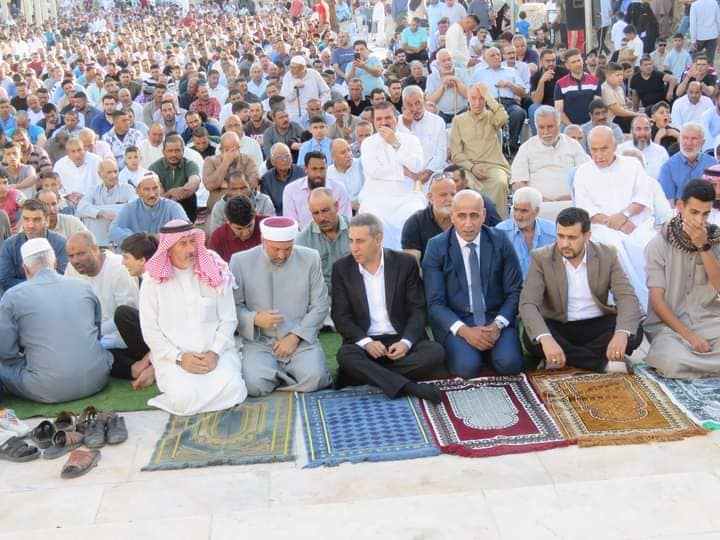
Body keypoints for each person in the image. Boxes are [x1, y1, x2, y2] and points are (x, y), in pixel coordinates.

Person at [332, 213, 445, 402]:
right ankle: (410, 387)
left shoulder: (404, 263)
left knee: (435, 352)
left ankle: (367, 374)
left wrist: (406, 342)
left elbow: (418, 309)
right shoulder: (341, 269)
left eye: (360, 241)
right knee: (346, 355)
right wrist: (366, 343)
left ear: (378, 239)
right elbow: (341, 317)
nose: (354, 247)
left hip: (399, 338)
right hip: (365, 343)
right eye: (351, 240)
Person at [139, 220, 247, 415]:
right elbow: (150, 331)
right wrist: (180, 358)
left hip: (217, 354)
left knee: (234, 391)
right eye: (183, 244)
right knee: (183, 400)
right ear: (168, 249)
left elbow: (229, 319)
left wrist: (214, 353)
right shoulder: (152, 281)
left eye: (192, 242)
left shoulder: (214, 270)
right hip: (175, 360)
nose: (191, 249)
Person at [519, 207, 644, 373]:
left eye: (572, 237)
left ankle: (563, 360)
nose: (564, 243)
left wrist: (621, 333)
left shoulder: (607, 255)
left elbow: (627, 297)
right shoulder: (542, 258)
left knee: (634, 331)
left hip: (596, 324)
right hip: (560, 325)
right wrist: (547, 339)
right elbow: (528, 303)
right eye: (560, 236)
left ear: (587, 235)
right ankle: (602, 364)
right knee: (532, 338)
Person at [423, 190, 524, 378]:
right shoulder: (436, 247)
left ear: (483, 215)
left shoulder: (500, 241)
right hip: (459, 319)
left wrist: (497, 325)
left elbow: (515, 291)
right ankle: (475, 353)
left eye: (474, 216)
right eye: (462, 216)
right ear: (452, 216)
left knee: (510, 364)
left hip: (495, 317)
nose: (468, 223)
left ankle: (492, 352)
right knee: (466, 367)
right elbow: (435, 303)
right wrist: (465, 332)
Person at [0, 237, 112, 403]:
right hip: (97, 377)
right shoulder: (83, 287)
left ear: (26, 268)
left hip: (48, 388)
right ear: (55, 262)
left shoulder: (12, 296)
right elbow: (97, 335)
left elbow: (5, 352)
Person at [230, 216, 332, 396]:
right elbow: (232, 306)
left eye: (287, 249)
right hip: (260, 341)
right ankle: (287, 377)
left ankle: (278, 378)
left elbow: (321, 304)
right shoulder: (240, 261)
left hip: (300, 339)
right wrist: (255, 319)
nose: (281, 255)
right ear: (263, 240)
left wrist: (295, 337)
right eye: (275, 249)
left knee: (316, 378)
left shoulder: (310, 258)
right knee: (254, 385)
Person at [574, 126, 658, 308]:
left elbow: (643, 198)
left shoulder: (632, 165)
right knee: (612, 247)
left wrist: (625, 215)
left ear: (615, 146)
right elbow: (586, 210)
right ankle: (624, 305)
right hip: (601, 227)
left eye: (604, 148)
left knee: (648, 246)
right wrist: (616, 223)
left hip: (635, 222)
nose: (599, 155)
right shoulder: (582, 172)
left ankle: (651, 303)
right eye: (594, 149)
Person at [645, 179, 720, 377]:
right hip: (669, 326)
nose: (700, 221)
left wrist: (703, 246)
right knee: (672, 361)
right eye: (694, 212)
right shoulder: (658, 245)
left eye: (705, 214)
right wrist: (690, 336)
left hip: (708, 320)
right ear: (680, 206)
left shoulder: (715, 239)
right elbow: (657, 301)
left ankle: (697, 366)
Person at [64, 231, 140, 373]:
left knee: (122, 315)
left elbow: (129, 314)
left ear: (95, 249)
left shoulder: (119, 267)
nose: (75, 260)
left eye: (80, 254)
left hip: (123, 335)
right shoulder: (71, 270)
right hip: (93, 337)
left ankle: (135, 366)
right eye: (71, 256)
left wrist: (93, 332)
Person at [359, 101, 427, 249]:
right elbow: (374, 170)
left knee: (416, 213)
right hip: (376, 196)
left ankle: (410, 259)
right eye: (379, 119)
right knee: (373, 219)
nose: (384, 122)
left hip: (406, 196)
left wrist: (395, 143)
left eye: (388, 117)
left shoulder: (411, 140)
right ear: (373, 122)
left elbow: (417, 166)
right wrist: (405, 172)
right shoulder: (368, 143)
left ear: (396, 119)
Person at [511, 106, 588, 219]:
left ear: (558, 124)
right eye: (541, 127)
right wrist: (538, 198)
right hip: (537, 205)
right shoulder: (526, 148)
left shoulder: (572, 145)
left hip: (571, 202)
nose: (545, 132)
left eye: (550, 127)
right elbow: (517, 183)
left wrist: (572, 195)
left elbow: (586, 175)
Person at [449, 83, 511, 218]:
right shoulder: (458, 121)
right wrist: (472, 167)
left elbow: (504, 117)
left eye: (481, 98)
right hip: (469, 168)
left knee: (500, 182)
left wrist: (488, 96)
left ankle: (499, 223)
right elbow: (456, 153)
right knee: (468, 184)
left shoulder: (491, 116)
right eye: (473, 98)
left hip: (494, 166)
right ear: (468, 99)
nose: (477, 103)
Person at [116, 232, 159, 390]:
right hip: (152, 345)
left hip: (168, 346)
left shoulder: (155, 282)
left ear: (142, 260)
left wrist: (147, 362)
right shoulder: (145, 279)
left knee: (123, 314)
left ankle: (152, 367)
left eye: (126, 257)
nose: (122, 262)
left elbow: (167, 331)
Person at [0, 200, 68, 291]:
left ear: (47, 221)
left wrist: (32, 285)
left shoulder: (60, 243)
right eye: (26, 219)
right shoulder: (9, 245)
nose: (30, 225)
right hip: (20, 296)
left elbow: (62, 277)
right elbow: (5, 280)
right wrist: (38, 285)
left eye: (36, 220)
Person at [109, 171, 189, 245]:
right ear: (138, 191)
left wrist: (160, 238)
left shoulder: (173, 207)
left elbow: (185, 228)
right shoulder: (129, 208)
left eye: (155, 188)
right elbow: (113, 230)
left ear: (161, 188)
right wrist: (140, 240)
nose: (152, 194)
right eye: (146, 189)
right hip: (138, 251)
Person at [473, 46, 527, 153]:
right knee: (483, 114)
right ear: (485, 59)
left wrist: (510, 84)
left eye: (498, 54)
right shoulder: (479, 72)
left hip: (509, 103)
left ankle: (509, 146)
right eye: (492, 55)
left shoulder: (511, 71)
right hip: (487, 103)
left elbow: (523, 93)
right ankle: (490, 148)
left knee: (519, 113)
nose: (496, 57)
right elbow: (471, 91)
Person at [296, 187, 351, 290]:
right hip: (321, 295)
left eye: (325, 211)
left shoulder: (354, 230)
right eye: (316, 213)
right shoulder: (302, 240)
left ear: (336, 206)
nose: (321, 218)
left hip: (351, 291)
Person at [495, 187, 557, 279]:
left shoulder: (552, 231)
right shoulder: (500, 232)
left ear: (536, 211)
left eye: (524, 211)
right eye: (515, 209)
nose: (518, 216)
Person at [77, 157, 137, 246]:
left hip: (123, 241)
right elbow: (81, 207)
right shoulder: (93, 190)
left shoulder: (128, 189)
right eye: (109, 172)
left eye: (115, 171)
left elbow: (134, 207)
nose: (113, 175)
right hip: (99, 243)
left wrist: (116, 217)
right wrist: (102, 214)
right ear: (100, 174)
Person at [282, 151, 352, 229]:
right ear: (305, 169)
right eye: (314, 169)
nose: (318, 174)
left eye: (322, 169)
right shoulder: (291, 190)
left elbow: (345, 222)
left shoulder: (339, 189)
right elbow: (292, 225)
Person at [397, 85, 448, 186]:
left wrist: (428, 171)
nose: (415, 109)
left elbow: (441, 153)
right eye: (410, 105)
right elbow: (397, 154)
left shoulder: (437, 121)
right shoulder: (397, 123)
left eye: (418, 103)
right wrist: (407, 126)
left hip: (432, 173)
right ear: (404, 106)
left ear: (424, 100)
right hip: (405, 175)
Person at [658, 122, 716, 205]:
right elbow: (668, 202)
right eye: (685, 138)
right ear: (680, 140)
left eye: (694, 139)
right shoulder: (668, 167)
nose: (689, 143)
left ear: (703, 142)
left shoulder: (713, 164)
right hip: (679, 211)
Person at [202, 131, 260, 210]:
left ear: (238, 148)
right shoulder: (210, 161)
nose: (230, 153)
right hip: (217, 208)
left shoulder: (249, 160)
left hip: (245, 207)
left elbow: (252, 184)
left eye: (233, 150)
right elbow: (210, 185)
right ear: (221, 149)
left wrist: (225, 184)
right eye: (226, 150)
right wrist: (225, 163)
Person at [149, 134, 201, 222]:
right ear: (163, 152)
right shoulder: (154, 168)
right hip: (162, 206)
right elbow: (158, 195)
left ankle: (188, 224)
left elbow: (194, 183)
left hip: (185, 204)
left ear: (183, 151)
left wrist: (177, 193)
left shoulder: (190, 164)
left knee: (190, 197)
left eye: (177, 151)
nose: (173, 154)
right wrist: (171, 193)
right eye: (170, 151)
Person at [208, 195, 266, 262]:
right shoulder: (218, 238)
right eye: (239, 229)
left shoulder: (269, 227)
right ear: (227, 221)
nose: (245, 233)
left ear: (255, 215)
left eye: (249, 226)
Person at [554, 48, 600, 127]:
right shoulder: (560, 84)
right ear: (567, 66)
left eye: (579, 60)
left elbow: (597, 107)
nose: (578, 64)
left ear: (582, 61)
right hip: (568, 126)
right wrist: (572, 127)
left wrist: (589, 126)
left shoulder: (594, 81)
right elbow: (559, 111)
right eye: (573, 62)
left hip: (591, 125)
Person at [52, 137, 102, 206]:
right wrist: (68, 196)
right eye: (73, 151)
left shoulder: (96, 161)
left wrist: (85, 196)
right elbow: (57, 189)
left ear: (85, 149)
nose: (77, 154)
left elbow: (102, 185)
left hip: (93, 202)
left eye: (79, 150)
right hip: (68, 203)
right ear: (67, 153)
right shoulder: (59, 165)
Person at [618, 115, 670, 181]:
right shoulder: (620, 150)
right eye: (638, 129)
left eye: (646, 129)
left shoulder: (661, 152)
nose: (642, 132)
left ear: (650, 130)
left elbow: (666, 178)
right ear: (632, 131)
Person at [425, 49, 469, 125]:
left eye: (449, 59)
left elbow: (468, 95)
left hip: (462, 112)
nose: (447, 63)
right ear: (438, 63)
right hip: (442, 114)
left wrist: (457, 81)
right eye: (444, 61)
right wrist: (443, 86)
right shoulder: (431, 77)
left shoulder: (462, 72)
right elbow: (430, 100)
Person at [281, 56, 331, 123]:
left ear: (303, 68)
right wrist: (295, 89)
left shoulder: (314, 74)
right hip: (294, 113)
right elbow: (285, 98)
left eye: (295, 68)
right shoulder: (287, 76)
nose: (292, 71)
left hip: (314, 111)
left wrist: (320, 106)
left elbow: (326, 92)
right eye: (291, 67)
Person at [327, 138, 364, 211]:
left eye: (349, 150)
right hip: (341, 212)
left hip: (362, 209)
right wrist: (349, 205)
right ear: (333, 157)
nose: (349, 155)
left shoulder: (361, 165)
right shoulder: (328, 173)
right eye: (343, 152)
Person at [689, 0, 720, 66]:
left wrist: (693, 40)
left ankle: (696, 71)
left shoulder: (694, 5)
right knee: (710, 60)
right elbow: (718, 21)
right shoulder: (714, 3)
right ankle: (710, 72)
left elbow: (693, 24)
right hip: (712, 35)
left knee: (694, 59)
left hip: (699, 36)